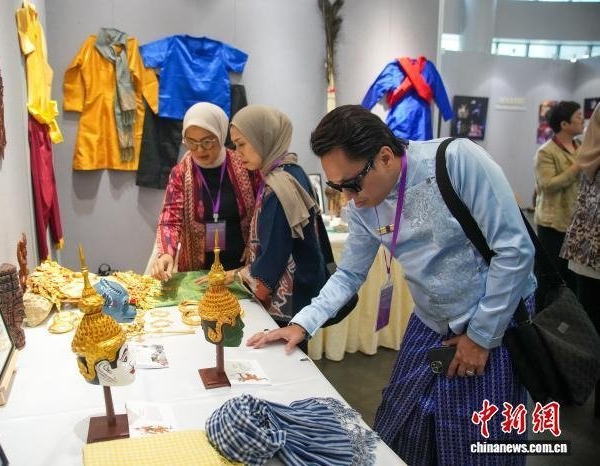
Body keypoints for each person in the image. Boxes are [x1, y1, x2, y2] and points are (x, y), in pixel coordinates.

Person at [248, 105, 537, 465]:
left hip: (494, 322)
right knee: (402, 424)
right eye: (337, 187)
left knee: (473, 439)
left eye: (352, 183)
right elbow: (349, 274)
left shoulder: (456, 161)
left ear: (385, 156)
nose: (349, 198)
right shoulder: (363, 205)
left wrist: (480, 337)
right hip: (431, 324)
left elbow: (515, 251)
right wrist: (302, 323)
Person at [230, 105, 327, 325]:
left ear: (263, 137)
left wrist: (238, 277)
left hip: (286, 302)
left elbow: (274, 254)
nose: (237, 152)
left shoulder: (278, 186)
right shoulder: (292, 170)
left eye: (241, 144)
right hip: (302, 291)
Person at [152, 103, 256, 282]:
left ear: (221, 135)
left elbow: (261, 209)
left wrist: (255, 243)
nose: (199, 150)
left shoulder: (245, 164)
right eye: (191, 142)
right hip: (197, 272)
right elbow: (170, 219)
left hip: (238, 269)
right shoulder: (181, 173)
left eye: (207, 142)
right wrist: (166, 254)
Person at [560, 104, 600, 418]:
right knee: (589, 330)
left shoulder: (584, 152)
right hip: (590, 253)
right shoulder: (587, 157)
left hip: (586, 251)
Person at [534, 100, 584, 292]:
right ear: (564, 124)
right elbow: (547, 185)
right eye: (578, 116)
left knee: (573, 279)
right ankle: (543, 311)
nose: (583, 120)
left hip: (576, 224)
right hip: (552, 224)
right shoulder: (546, 152)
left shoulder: (582, 148)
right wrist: (577, 167)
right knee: (548, 277)